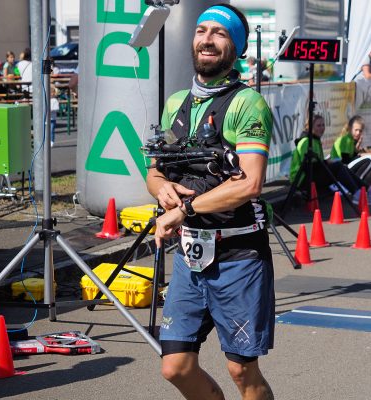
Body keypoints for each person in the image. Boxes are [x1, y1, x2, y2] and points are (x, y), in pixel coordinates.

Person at [145, 4, 275, 399]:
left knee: (240, 370)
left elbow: (250, 183)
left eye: (219, 33)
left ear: (236, 46)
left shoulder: (247, 103)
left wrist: (182, 210)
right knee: (176, 367)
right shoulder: (176, 103)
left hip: (238, 255)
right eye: (201, 30)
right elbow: (155, 170)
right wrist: (160, 189)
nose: (207, 39)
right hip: (190, 255)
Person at [290, 114, 371, 205]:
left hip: (312, 174)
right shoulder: (306, 142)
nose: (322, 128)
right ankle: (358, 194)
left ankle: (368, 190)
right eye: (318, 125)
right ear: (310, 127)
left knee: (342, 167)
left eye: (323, 125)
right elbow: (307, 166)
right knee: (348, 164)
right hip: (301, 180)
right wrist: (327, 162)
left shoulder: (315, 140)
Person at [330, 115, 371, 201]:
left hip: (344, 167)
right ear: (350, 128)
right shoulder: (345, 139)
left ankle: (362, 189)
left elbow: (351, 157)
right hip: (340, 170)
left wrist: (357, 150)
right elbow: (345, 160)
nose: (358, 133)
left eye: (360, 131)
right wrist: (361, 155)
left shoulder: (351, 139)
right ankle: (359, 190)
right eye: (356, 130)